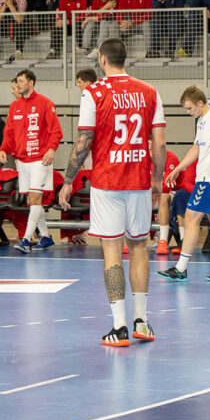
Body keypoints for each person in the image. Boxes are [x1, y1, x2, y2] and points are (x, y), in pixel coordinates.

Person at [58, 38, 166, 347]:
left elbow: (83, 141)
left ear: (103, 60)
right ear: (125, 58)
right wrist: (157, 179)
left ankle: (119, 326)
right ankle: (141, 322)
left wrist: (68, 180)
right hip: (139, 180)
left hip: (107, 183)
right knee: (140, 248)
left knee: (111, 251)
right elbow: (159, 143)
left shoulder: (93, 92)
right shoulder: (150, 92)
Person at [158, 86, 210, 283]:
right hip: (207, 177)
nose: (188, 112)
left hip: (209, 179)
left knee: (191, 217)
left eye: (189, 108)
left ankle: (181, 268)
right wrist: (178, 169)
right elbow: (196, 149)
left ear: (200, 103)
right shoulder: (202, 120)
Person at [0, 69, 62, 253]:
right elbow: (8, 133)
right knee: (32, 201)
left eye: (21, 81)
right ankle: (45, 237)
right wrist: (3, 150)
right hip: (21, 161)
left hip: (40, 159)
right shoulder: (14, 106)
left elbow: (55, 130)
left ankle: (25, 240)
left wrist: (51, 149)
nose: (18, 84)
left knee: (35, 197)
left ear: (31, 82)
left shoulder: (45, 103)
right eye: (17, 81)